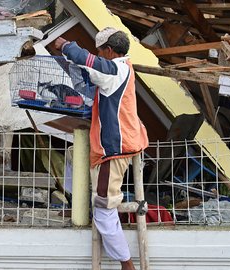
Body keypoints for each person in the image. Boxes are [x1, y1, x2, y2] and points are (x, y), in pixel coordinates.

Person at [54, 27, 148, 270]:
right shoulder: (123, 68)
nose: (98, 54)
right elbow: (92, 71)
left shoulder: (115, 68)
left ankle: (127, 264)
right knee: (103, 201)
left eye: (100, 51)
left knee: (104, 209)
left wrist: (64, 45)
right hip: (123, 142)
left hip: (115, 148)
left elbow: (90, 62)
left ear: (108, 51)